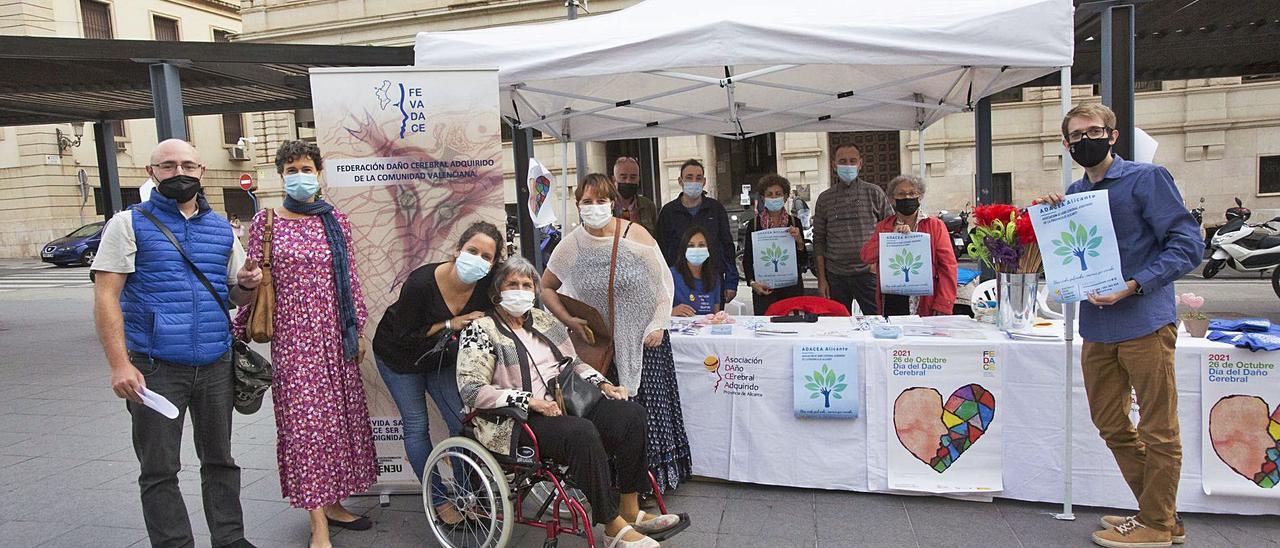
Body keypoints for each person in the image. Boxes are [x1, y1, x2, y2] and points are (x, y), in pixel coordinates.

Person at [1037, 103, 1202, 548]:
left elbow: (1189, 244)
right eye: (1075, 135)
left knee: (1158, 427)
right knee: (1109, 421)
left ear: (1112, 136)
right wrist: (1053, 214)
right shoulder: (1074, 191)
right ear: (1067, 144)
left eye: (1094, 131)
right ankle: (1162, 515)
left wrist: (1134, 285)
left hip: (1144, 321)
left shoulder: (1146, 179)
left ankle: (1155, 523)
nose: (1084, 140)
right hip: (1097, 325)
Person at [92, 139, 259, 548]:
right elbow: (105, 296)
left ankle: (230, 539)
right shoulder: (127, 224)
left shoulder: (221, 228)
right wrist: (119, 364)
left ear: (201, 171)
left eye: (187, 164)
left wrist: (248, 286)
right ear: (152, 173)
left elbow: (234, 296)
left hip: (216, 362)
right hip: (155, 367)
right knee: (159, 468)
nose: (178, 173)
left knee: (220, 461)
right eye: (167, 166)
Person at [457, 257, 683, 548]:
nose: (521, 290)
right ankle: (612, 527)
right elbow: (471, 389)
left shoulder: (544, 320)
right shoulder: (481, 330)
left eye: (527, 285)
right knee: (581, 433)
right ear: (497, 291)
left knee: (632, 414)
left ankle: (630, 508)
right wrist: (530, 401)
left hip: (567, 403)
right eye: (512, 284)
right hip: (518, 419)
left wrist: (604, 384)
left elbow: (572, 363)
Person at [233, 140, 376, 548]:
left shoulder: (336, 221)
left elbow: (348, 279)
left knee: (335, 426)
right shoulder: (266, 223)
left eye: (307, 167)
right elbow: (256, 279)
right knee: (305, 428)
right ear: (281, 175)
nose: (300, 175)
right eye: (292, 168)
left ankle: (332, 503)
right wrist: (239, 324)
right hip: (295, 341)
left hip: (335, 337)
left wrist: (357, 329)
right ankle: (318, 524)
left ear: (319, 173)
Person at [543, 173, 691, 491]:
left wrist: (658, 323)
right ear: (577, 204)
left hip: (644, 341)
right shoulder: (570, 246)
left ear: (612, 203)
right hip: (602, 347)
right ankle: (615, 483)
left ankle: (652, 483)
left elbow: (663, 281)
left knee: (648, 411)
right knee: (613, 415)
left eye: (601, 200)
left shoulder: (633, 234)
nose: (594, 207)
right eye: (587, 201)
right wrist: (569, 320)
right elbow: (546, 288)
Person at [371, 221, 503, 526]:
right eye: (472, 251)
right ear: (457, 250)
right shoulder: (421, 283)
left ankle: (467, 495)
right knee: (416, 426)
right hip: (399, 355)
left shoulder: (487, 282)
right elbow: (405, 335)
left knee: (460, 421)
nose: (478, 259)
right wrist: (449, 323)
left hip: (441, 358)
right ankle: (439, 499)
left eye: (487, 256)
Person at [812, 143, 893, 316]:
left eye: (852, 161)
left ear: (860, 164)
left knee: (876, 322)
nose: (847, 165)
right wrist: (822, 280)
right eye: (842, 161)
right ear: (834, 165)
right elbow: (818, 240)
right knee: (837, 326)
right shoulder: (824, 199)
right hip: (835, 276)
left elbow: (889, 231)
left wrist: (877, 265)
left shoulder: (875, 193)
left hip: (868, 274)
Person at [860, 174, 957, 317]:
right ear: (893, 199)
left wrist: (944, 303)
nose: (907, 197)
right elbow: (866, 256)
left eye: (912, 193)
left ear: (920, 196)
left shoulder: (935, 226)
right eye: (901, 194)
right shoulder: (884, 226)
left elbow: (948, 266)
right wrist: (890, 238)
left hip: (925, 299)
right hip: (893, 298)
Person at [655, 159, 740, 304]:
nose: (694, 181)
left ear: (704, 181)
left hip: (712, 282)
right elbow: (661, 250)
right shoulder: (668, 212)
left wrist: (731, 282)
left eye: (698, 178)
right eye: (689, 177)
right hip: (678, 285)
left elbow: (727, 247)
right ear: (680, 181)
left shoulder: (716, 209)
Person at [742, 174, 808, 315]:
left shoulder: (795, 222)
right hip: (764, 290)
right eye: (769, 194)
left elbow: (803, 261)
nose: (774, 198)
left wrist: (799, 242)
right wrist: (753, 283)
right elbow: (747, 259)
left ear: (785, 197)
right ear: (763, 198)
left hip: (791, 289)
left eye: (778, 194)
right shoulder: (754, 225)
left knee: (793, 330)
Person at [670, 225, 722, 316]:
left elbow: (716, 315)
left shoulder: (714, 277)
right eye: (691, 245)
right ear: (684, 249)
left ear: (708, 250)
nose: (696, 249)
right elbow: (654, 312)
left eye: (701, 245)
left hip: (706, 328)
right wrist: (671, 312)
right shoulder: (671, 275)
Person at [612, 156, 658, 235]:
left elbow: (656, 238)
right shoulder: (605, 206)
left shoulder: (648, 206)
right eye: (623, 177)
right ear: (614, 180)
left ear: (638, 180)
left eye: (633, 177)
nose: (628, 181)